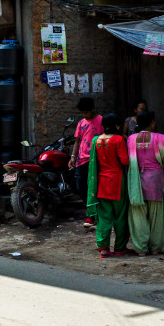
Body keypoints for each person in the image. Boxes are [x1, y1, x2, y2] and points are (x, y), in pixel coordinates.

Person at [86, 114, 130, 257]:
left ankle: (103, 248)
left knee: (104, 217)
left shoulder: (95, 141)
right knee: (121, 216)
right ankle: (119, 247)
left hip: (101, 184)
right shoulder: (118, 140)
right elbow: (125, 161)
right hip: (118, 183)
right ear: (117, 125)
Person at [127, 111, 164, 256]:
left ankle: (141, 249)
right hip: (156, 180)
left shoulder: (131, 139)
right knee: (157, 216)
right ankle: (155, 248)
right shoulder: (160, 138)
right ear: (152, 122)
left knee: (138, 215)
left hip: (136, 181)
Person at [70, 97, 103, 228]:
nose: (84, 115)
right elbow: (77, 141)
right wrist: (73, 156)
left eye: (86, 112)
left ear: (93, 109)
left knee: (94, 188)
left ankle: (92, 215)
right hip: (81, 160)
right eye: (82, 113)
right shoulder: (81, 123)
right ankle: (91, 212)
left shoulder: (101, 121)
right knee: (80, 187)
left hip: (95, 160)